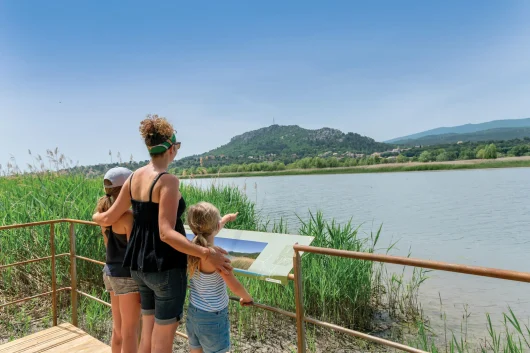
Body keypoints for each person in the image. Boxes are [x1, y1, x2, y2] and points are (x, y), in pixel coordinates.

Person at [93, 114, 232, 353]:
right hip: (165, 266)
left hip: (138, 266)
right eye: (177, 146)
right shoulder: (168, 181)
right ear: (171, 149)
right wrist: (207, 253)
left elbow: (108, 217)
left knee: (147, 332)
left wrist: (96, 217)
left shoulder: (134, 177)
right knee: (164, 336)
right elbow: (166, 233)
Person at [186, 202, 253, 353]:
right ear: (215, 227)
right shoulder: (215, 257)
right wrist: (246, 298)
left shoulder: (191, 249)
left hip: (193, 313)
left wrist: (227, 218)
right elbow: (233, 284)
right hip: (213, 317)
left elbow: (213, 227)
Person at [95, 167, 141, 353]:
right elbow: (134, 253)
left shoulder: (103, 215)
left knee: (118, 328)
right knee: (131, 331)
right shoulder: (128, 217)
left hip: (110, 272)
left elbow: (108, 246)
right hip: (126, 277)